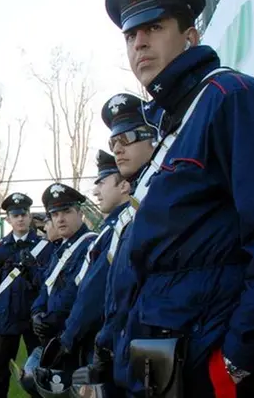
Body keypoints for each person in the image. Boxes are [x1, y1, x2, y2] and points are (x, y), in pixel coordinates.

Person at [103, 0, 254, 397]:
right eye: (131, 35)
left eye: (154, 26)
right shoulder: (173, 129)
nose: (141, 43)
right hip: (167, 364)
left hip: (216, 372)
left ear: (190, 36)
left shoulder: (233, 99)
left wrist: (235, 364)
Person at [71, 93, 158, 393]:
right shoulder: (133, 210)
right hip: (122, 347)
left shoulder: (158, 197)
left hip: (150, 350)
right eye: (113, 143)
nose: (118, 148)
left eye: (128, 137)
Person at [0, 192, 55, 398]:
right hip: (6, 315)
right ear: (8, 219)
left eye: (24, 214)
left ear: (30, 217)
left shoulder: (44, 247)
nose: (20, 218)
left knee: (39, 369)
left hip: (35, 317)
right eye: (15, 215)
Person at [57, 150, 132, 365]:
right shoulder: (111, 228)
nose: (96, 192)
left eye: (102, 183)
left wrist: (69, 336)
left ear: (124, 185)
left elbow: (96, 289)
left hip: (104, 338)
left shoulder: (121, 226)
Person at [30, 183, 96, 346]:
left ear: (80, 213)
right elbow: (47, 285)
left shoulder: (91, 245)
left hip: (74, 337)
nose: (60, 219)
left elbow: (78, 294)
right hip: (55, 335)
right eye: (55, 214)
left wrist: (51, 320)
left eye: (67, 211)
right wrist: (36, 313)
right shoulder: (60, 249)